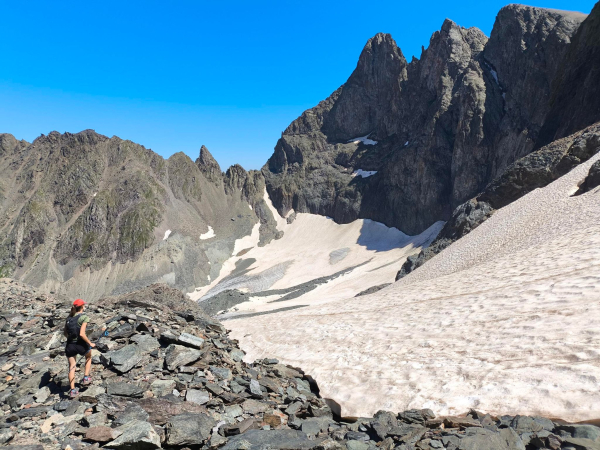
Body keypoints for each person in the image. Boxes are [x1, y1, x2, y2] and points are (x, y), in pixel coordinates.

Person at [64, 298, 95, 398]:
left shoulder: (69, 318)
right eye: (84, 305)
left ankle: (72, 390)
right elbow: (82, 334)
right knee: (89, 356)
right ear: (82, 307)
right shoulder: (84, 317)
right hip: (80, 344)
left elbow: (65, 333)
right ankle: (86, 377)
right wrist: (90, 343)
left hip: (70, 345)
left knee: (72, 367)